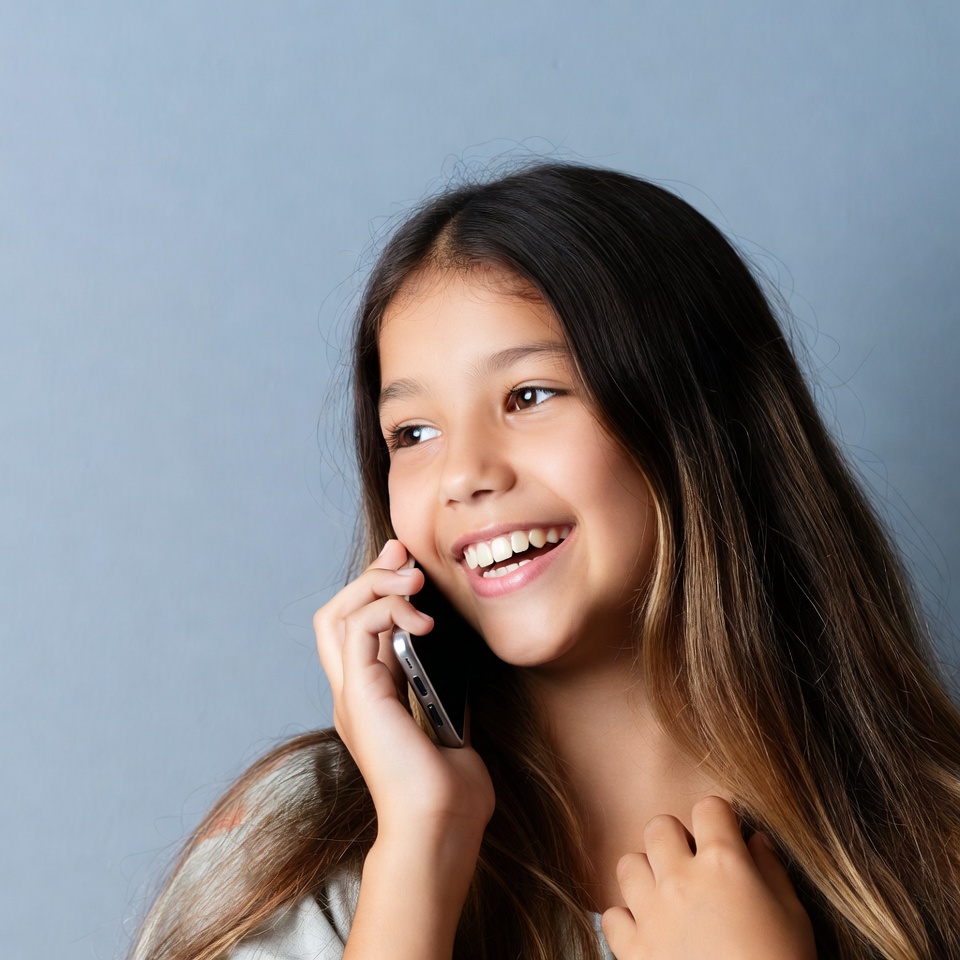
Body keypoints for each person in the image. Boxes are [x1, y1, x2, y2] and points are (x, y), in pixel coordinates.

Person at [129, 163, 960, 960]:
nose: (463, 475)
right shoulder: (296, 850)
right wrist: (420, 849)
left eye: (530, 396)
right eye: (412, 434)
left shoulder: (931, 848)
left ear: (698, 421)